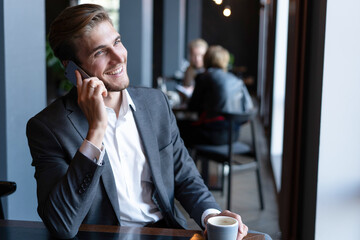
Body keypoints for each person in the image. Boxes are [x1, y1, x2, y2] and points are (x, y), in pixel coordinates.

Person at [26, 4, 270, 240]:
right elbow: (62, 225)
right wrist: (95, 132)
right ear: (72, 70)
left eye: (117, 42)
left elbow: (185, 176)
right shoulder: (48, 128)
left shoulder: (155, 103)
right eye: (100, 52)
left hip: (165, 232)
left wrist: (212, 216)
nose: (118, 57)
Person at [179, 45, 254, 147]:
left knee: (177, 127)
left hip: (212, 135)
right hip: (234, 135)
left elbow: (193, 107)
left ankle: (188, 162)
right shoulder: (237, 80)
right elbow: (247, 109)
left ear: (206, 60)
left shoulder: (203, 78)